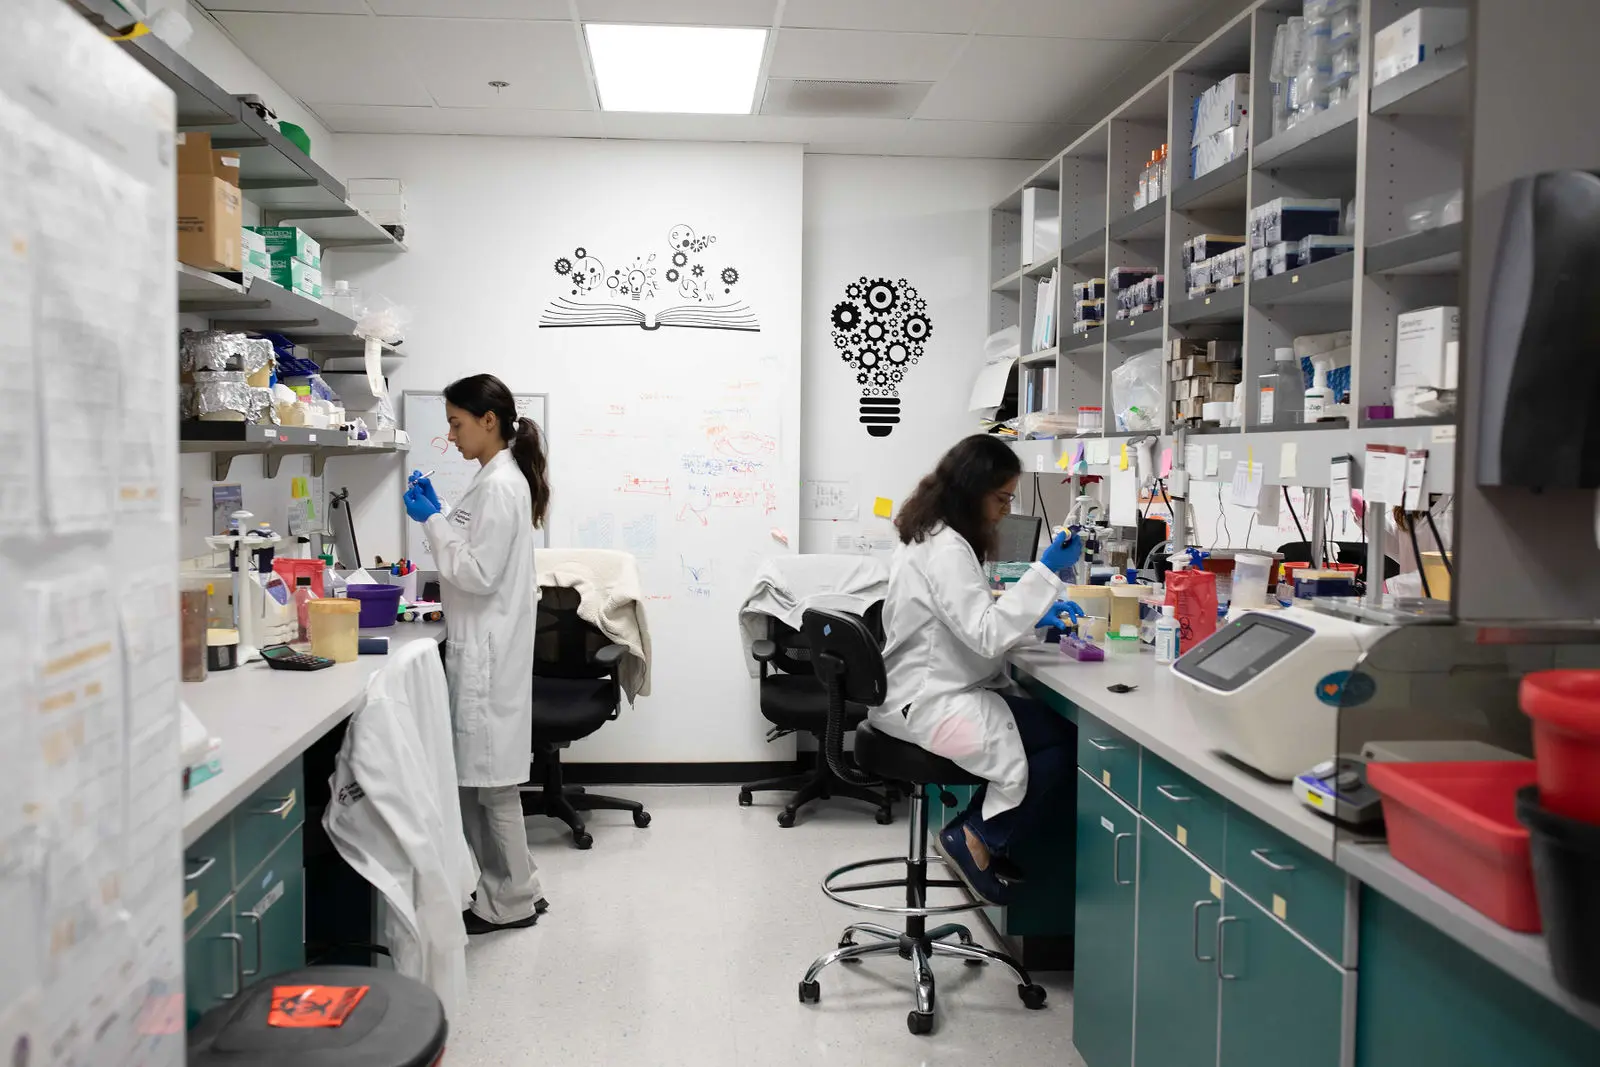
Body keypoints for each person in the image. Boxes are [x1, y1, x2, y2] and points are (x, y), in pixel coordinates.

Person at [868, 435, 1083, 905]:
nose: (1006, 508)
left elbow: (961, 623)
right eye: (1001, 497)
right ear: (972, 489)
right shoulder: (946, 549)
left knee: (1048, 735)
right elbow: (984, 634)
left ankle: (977, 833)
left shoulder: (931, 533)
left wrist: (1027, 620)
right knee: (1064, 744)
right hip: (932, 704)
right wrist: (1045, 575)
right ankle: (978, 835)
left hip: (920, 692)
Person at [404, 374, 550, 934]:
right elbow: (474, 551)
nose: (451, 434)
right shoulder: (495, 479)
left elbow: (479, 572)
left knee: (490, 786)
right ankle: (519, 887)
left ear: (489, 421)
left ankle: (509, 901)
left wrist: (432, 521)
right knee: (488, 784)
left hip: (488, 652)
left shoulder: (501, 485)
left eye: (456, 422)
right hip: (486, 645)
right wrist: (441, 515)